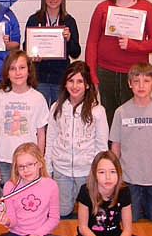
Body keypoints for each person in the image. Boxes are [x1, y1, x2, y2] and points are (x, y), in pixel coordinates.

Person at [85, 0, 152, 126]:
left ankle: (132, 152)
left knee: (133, 120)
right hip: (106, 72)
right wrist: (92, 76)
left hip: (136, 73)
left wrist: (134, 46)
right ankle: (111, 152)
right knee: (109, 119)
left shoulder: (147, 7)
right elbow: (91, 43)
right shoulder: (102, 8)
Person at [67, 151, 152, 236]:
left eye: (112, 172)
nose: (107, 177)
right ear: (94, 174)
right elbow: (83, 227)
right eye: (102, 172)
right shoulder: (86, 191)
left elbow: (127, 229)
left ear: (119, 173)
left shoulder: (123, 191)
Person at [109, 63, 152, 223]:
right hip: (129, 178)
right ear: (129, 84)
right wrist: (115, 177)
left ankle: (149, 202)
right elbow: (115, 146)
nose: (141, 86)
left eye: (146, 81)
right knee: (129, 219)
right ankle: (137, 202)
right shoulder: (121, 112)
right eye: (136, 81)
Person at [45, 61, 109, 217]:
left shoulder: (98, 111)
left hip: (86, 172)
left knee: (90, 213)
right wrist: (48, 168)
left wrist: (98, 173)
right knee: (63, 211)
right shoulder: (56, 107)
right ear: (65, 83)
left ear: (87, 85)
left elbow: (102, 146)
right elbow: (51, 139)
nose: (75, 86)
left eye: (80, 81)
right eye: (71, 81)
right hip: (62, 170)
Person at [0, 50, 49, 193]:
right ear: (7, 72)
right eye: (13, 68)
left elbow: (41, 134)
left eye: (22, 67)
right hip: (3, 159)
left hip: (30, 162)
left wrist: (39, 162)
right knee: (7, 201)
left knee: (30, 200)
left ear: (29, 70)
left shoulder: (38, 98)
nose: (18, 73)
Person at [24, 0, 81, 105]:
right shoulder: (34, 20)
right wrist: (32, 56)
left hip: (61, 78)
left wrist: (69, 39)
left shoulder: (69, 21)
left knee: (59, 116)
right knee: (40, 117)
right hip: (39, 77)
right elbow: (25, 48)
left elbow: (76, 52)